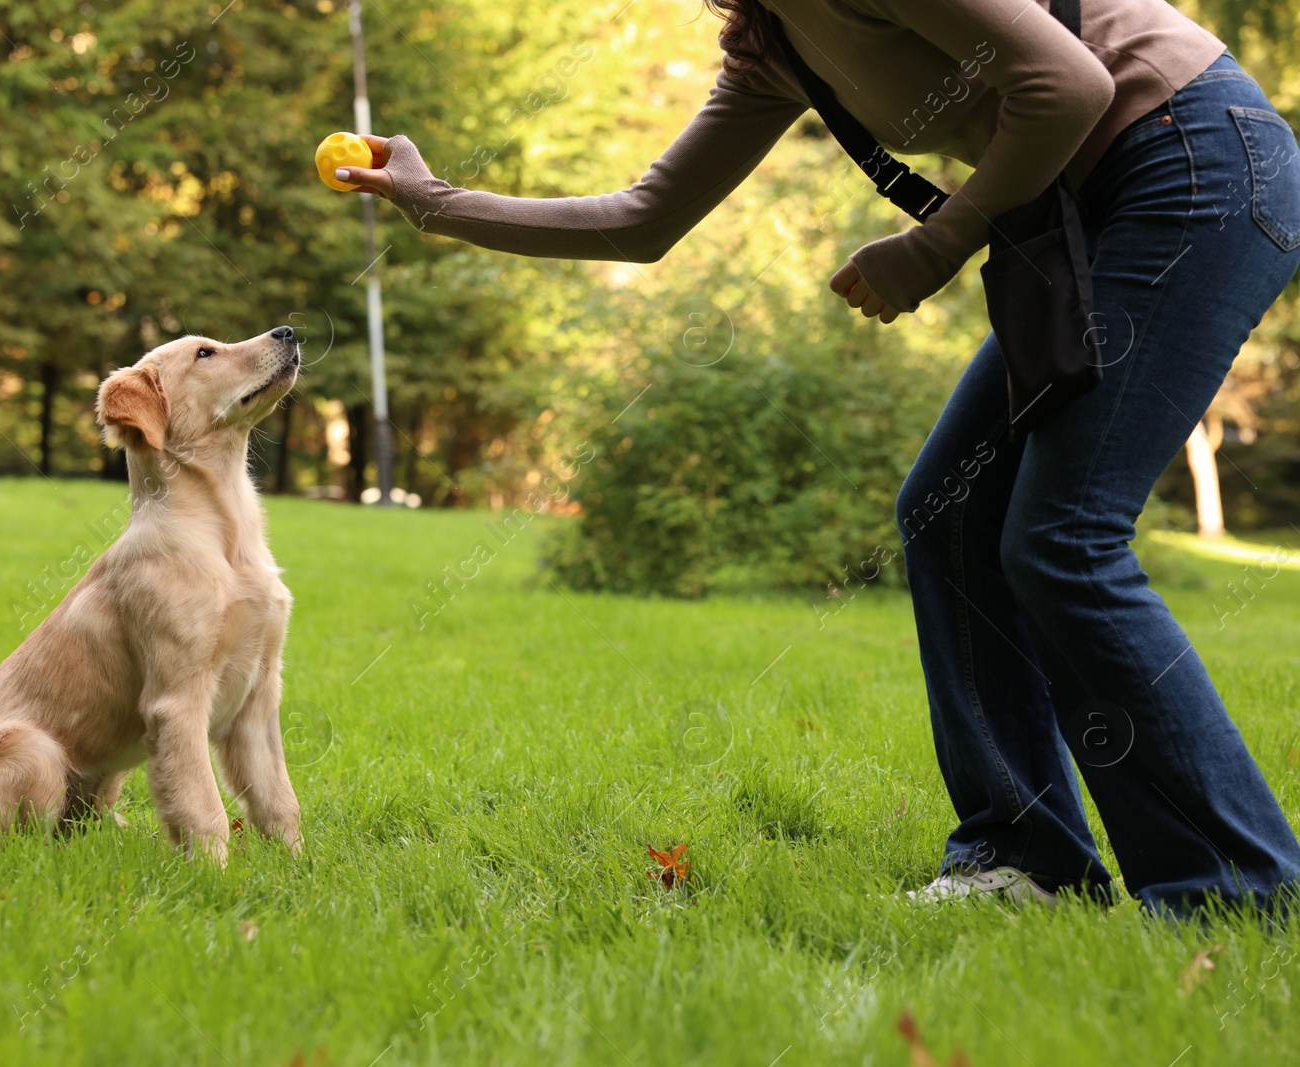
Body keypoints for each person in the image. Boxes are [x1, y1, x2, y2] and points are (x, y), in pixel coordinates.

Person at [337, 0, 1300, 917]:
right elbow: (643, 217)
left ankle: (1237, 886)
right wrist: (434, 203)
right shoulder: (779, 42)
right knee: (951, 513)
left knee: (1061, 537)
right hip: (1101, 207)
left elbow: (1071, 84)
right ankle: (1023, 854)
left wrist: (936, 246)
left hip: (1195, 165)